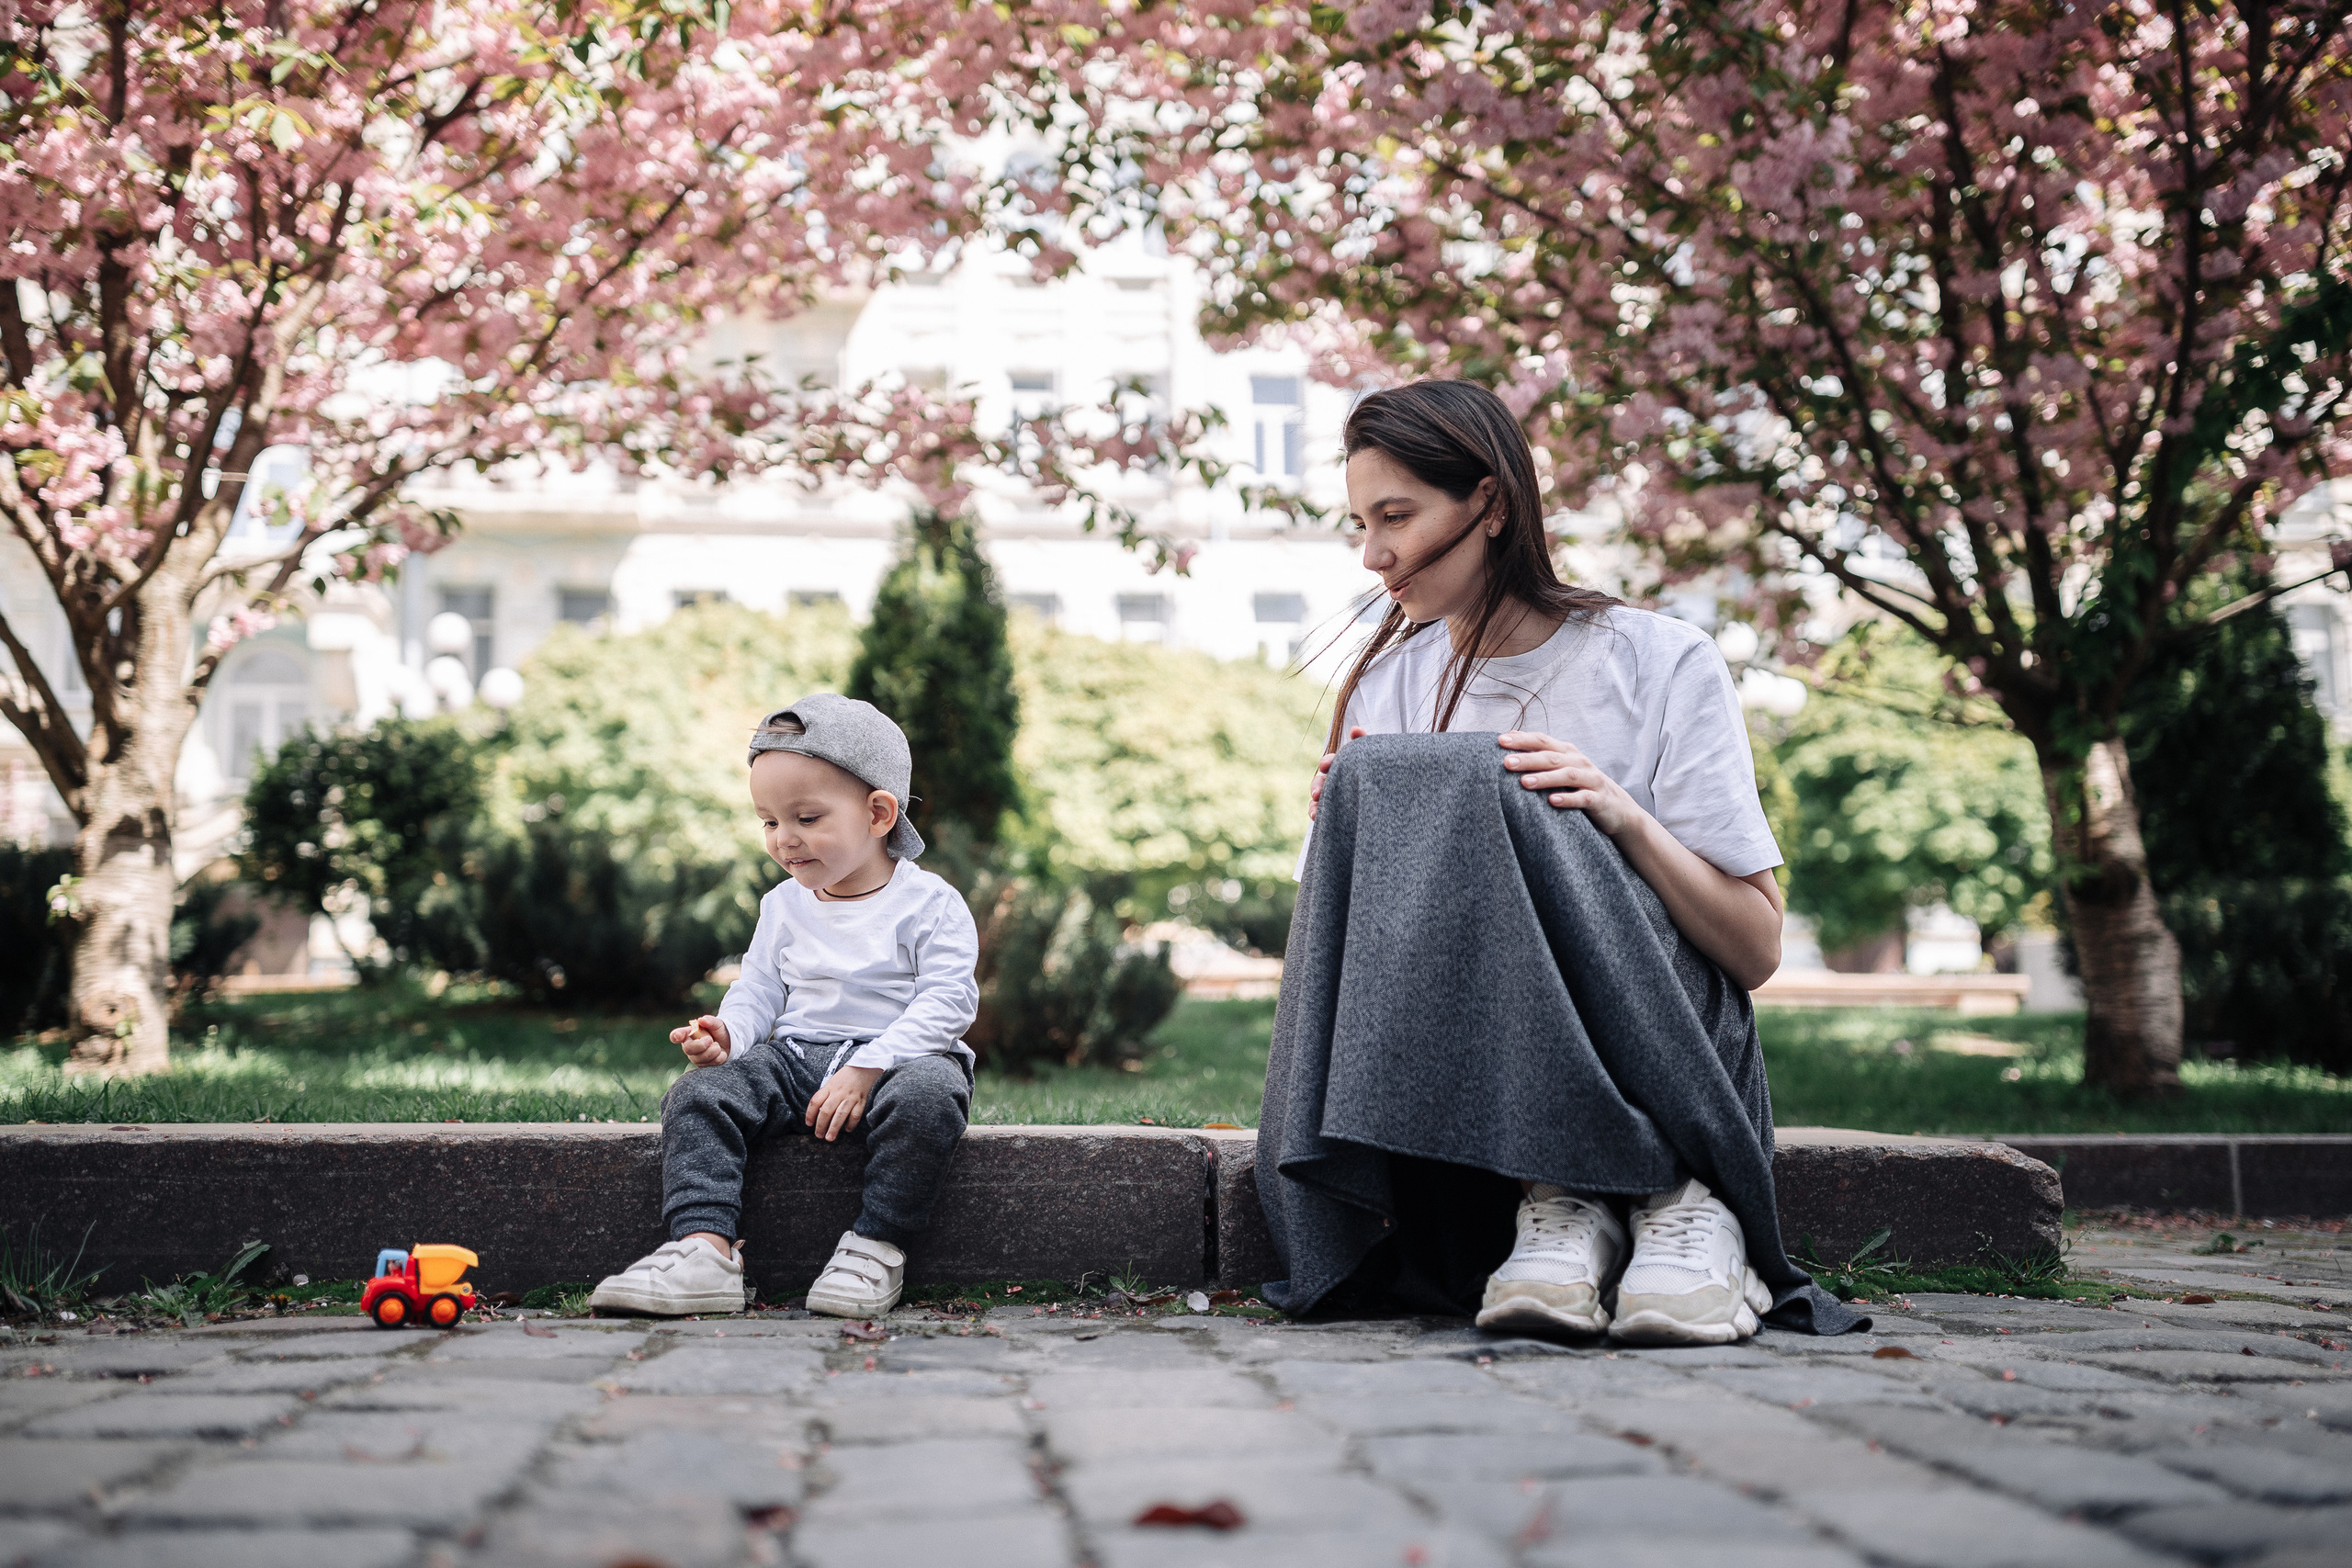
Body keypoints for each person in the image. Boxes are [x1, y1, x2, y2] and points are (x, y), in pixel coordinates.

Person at [1286, 378, 1815, 1347]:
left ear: (1490, 504)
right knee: (1427, 781)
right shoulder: (1388, 685)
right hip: (1478, 1093)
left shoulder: (1659, 660)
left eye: (1396, 517)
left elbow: (1755, 949)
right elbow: (1357, 977)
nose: (1374, 556)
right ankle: (1564, 1200)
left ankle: (1679, 1199)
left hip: (1665, 1039)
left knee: (1488, 782)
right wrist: (1366, 833)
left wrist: (1619, 815)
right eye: (1361, 524)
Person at [589, 694, 978, 1320]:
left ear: (879, 814)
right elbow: (760, 989)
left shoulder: (930, 904)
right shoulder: (783, 904)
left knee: (931, 1096)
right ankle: (704, 1250)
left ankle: (875, 1247)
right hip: (796, 1060)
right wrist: (730, 1034)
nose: (784, 840)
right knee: (700, 1093)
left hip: (899, 1063)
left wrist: (870, 1066)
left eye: (806, 817)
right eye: (769, 822)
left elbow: (948, 1001)